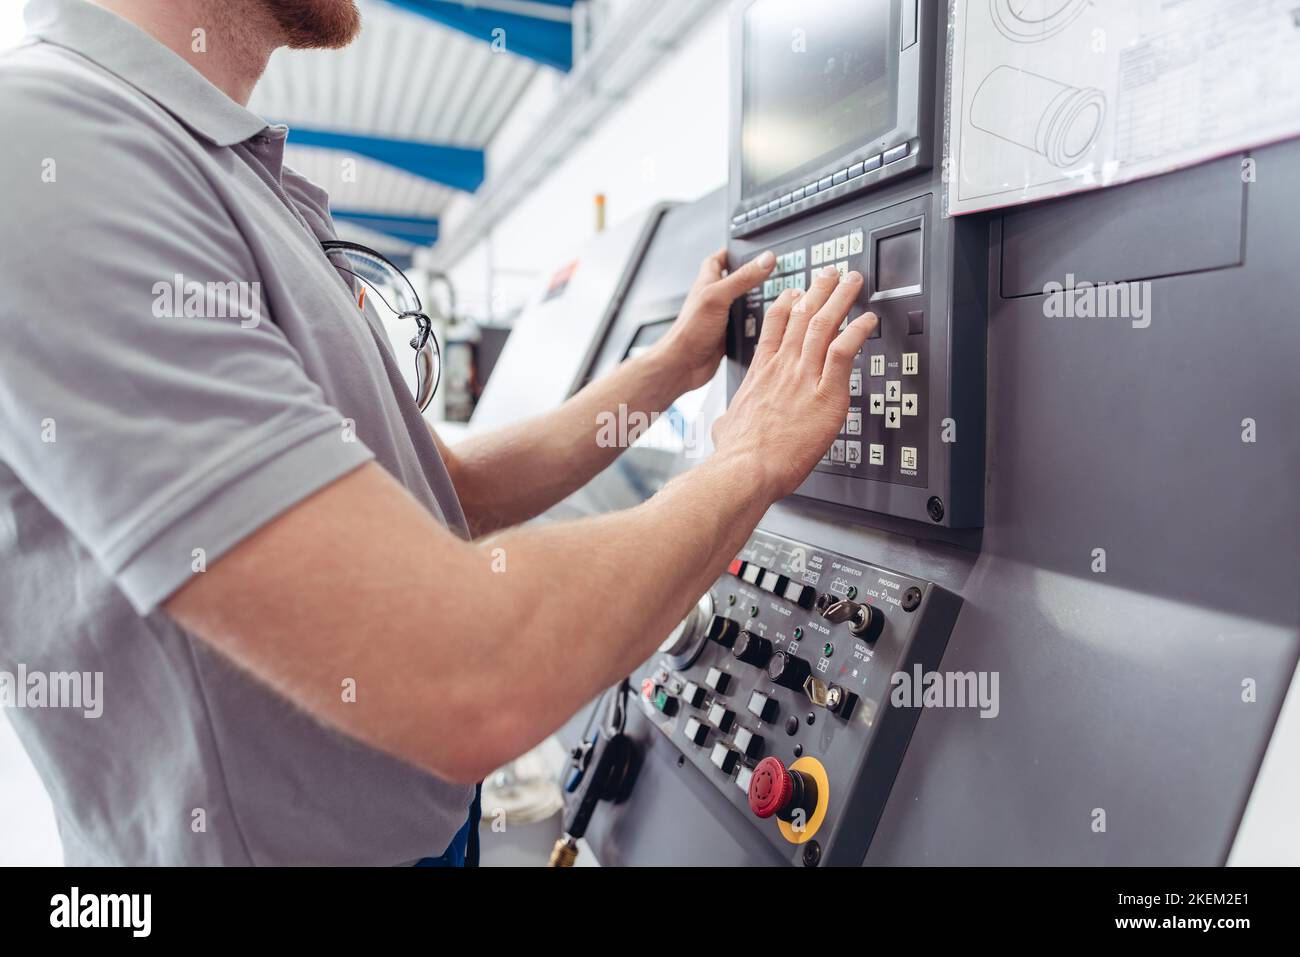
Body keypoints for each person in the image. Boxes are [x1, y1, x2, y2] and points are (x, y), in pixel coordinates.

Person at [0, 0, 876, 865]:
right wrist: (749, 459)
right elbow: (461, 672)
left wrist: (667, 371)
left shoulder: (218, 164)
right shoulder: (58, 144)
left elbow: (442, 485)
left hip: (429, 830)